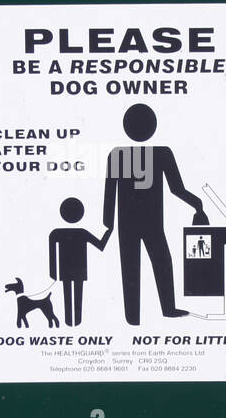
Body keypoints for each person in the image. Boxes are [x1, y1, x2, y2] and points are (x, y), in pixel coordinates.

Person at [103, 103, 207, 326]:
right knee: (162, 262)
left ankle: (133, 317)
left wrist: (107, 224)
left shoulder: (116, 155)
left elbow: (109, 194)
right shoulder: (162, 153)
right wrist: (197, 204)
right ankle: (167, 309)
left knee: (130, 267)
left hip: (127, 224)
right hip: (151, 223)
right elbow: (177, 189)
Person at [48, 198, 110, 327]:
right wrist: (108, 232)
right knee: (76, 295)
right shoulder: (80, 233)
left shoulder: (57, 233)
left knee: (70, 295)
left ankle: (72, 322)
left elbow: (52, 253)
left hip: (69, 271)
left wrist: (53, 273)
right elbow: (101, 245)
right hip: (77, 271)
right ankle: (74, 322)